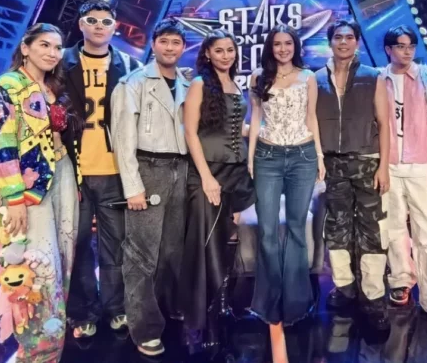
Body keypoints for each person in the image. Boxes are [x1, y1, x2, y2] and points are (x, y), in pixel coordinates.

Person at [0, 23, 81, 362]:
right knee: (37, 263)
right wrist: (13, 198)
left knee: (63, 258)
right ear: (25, 48)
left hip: (64, 175)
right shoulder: (6, 85)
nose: (52, 53)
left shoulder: (54, 86)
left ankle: (54, 338)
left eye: (57, 47)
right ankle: (36, 349)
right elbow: (1, 144)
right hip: (27, 187)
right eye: (44, 45)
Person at [62, 0, 141, 339]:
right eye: (92, 20)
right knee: (78, 245)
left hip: (114, 171)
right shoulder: (59, 62)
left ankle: (116, 307)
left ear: (115, 27)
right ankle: (83, 312)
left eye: (106, 21)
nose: (99, 26)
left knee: (116, 245)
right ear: (81, 24)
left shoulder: (130, 65)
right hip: (73, 170)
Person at [110, 18, 189, 357]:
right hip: (148, 168)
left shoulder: (187, 83)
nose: (170, 48)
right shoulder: (133, 83)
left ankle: (168, 307)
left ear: (183, 47)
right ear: (154, 44)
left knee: (172, 250)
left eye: (176, 42)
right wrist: (133, 187)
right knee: (141, 254)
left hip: (181, 169)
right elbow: (122, 138)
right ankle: (144, 328)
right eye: (164, 41)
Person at [248, 25, 325, 361]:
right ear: (270, 47)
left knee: (296, 229)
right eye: (277, 44)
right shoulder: (258, 77)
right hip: (267, 155)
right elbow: (255, 117)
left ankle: (295, 302)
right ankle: (268, 302)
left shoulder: (308, 77)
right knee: (267, 230)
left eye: (288, 43)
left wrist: (319, 156)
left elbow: (312, 118)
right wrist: (251, 158)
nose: (282, 49)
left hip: (302, 155)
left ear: (295, 46)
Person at [379, 26, 427, 332]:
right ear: (388, 49)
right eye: (400, 46)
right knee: (393, 228)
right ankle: (401, 280)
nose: (407, 51)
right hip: (388, 165)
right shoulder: (377, 79)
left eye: (411, 45)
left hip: (422, 165)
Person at [180, 29, 255, 349]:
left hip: (236, 173)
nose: (226, 55)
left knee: (228, 240)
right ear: (207, 54)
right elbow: (190, 132)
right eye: (219, 50)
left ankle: (220, 305)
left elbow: (238, 128)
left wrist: (268, 131)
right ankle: (197, 319)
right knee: (205, 244)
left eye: (230, 50)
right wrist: (207, 177)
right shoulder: (199, 84)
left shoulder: (236, 85)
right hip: (208, 173)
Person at [315, 20, 390, 330]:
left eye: (349, 37)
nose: (343, 42)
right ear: (330, 42)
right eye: (338, 37)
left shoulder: (374, 77)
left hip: (367, 161)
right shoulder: (316, 78)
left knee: (371, 228)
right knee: (337, 225)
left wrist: (384, 165)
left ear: (357, 42)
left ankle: (373, 295)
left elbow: (385, 124)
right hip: (332, 164)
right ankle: (344, 286)